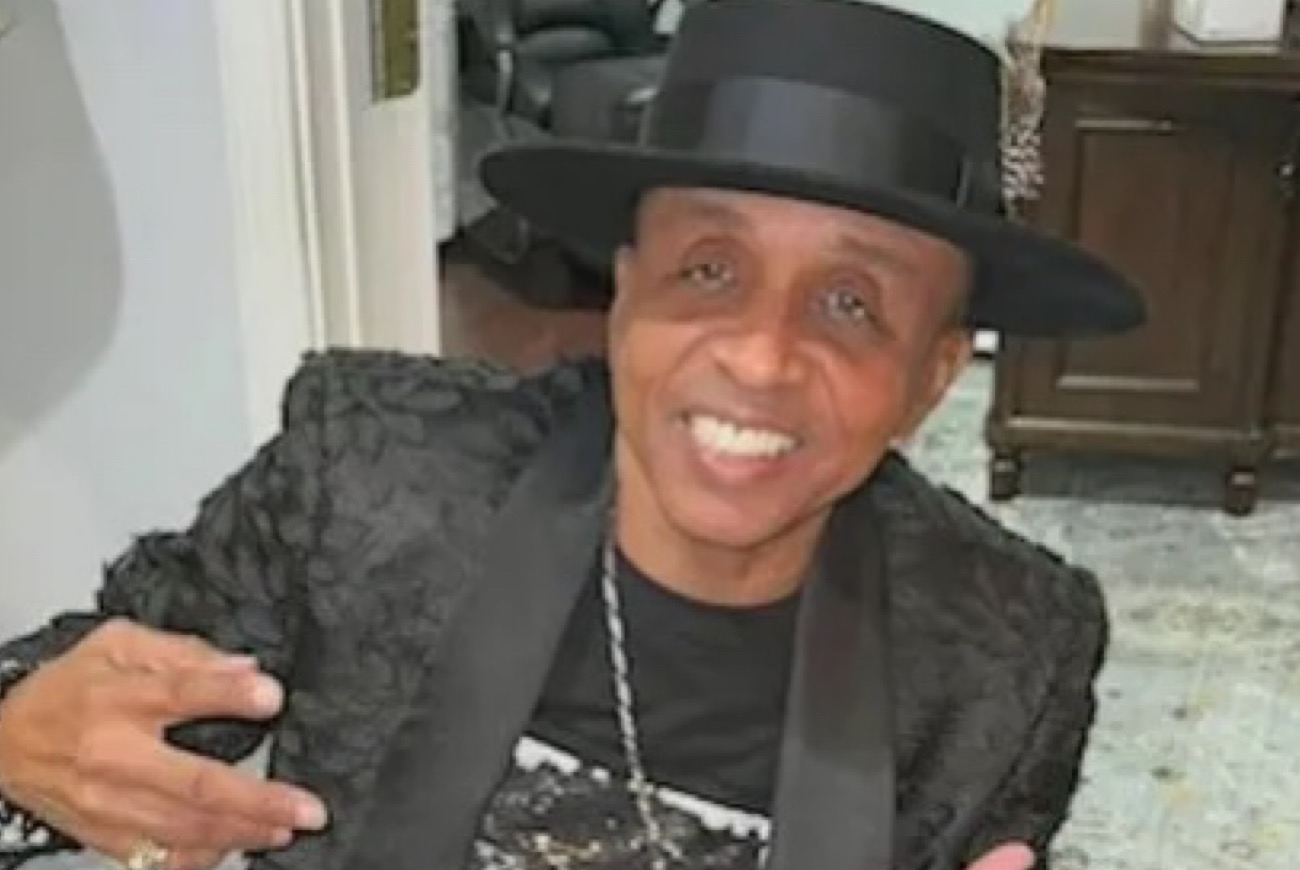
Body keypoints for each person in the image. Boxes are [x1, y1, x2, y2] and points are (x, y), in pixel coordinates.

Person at [0, 1, 1144, 869]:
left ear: (931, 374)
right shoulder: (372, 476)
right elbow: (80, 697)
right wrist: (16, 744)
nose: (760, 358)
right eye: (709, 269)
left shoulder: (1009, 651)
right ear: (625, 291)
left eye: (851, 303)